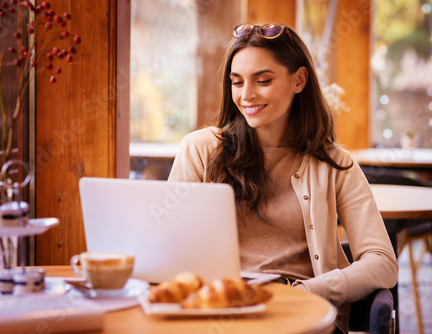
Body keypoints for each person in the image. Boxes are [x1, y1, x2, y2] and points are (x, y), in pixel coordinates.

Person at [168, 22, 398, 333]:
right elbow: (170, 247)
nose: (246, 95)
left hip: (304, 317)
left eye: (263, 80)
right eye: (236, 82)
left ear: (299, 80)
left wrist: (309, 292)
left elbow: (382, 262)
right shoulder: (201, 151)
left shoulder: (334, 164)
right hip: (223, 314)